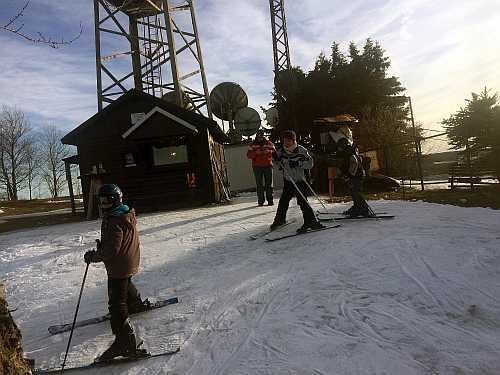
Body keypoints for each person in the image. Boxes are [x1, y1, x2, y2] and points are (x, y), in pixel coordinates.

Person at [84, 184, 150, 361]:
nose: (103, 205)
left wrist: (94, 256)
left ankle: (125, 343)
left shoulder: (114, 220)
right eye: (101, 201)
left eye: (106, 201)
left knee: (116, 304)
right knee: (125, 284)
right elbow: (115, 244)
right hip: (129, 259)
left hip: (119, 264)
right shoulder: (123, 213)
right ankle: (135, 303)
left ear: (115, 200)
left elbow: (112, 250)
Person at [271, 130, 325, 233]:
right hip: (288, 179)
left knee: (302, 201)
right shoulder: (281, 151)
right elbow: (278, 164)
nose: (286, 143)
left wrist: (298, 163)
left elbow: (310, 164)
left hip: (301, 179)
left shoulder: (301, 150)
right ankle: (279, 220)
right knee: (284, 200)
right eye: (284, 140)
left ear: (293, 140)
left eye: (288, 140)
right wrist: (275, 159)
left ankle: (311, 222)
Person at [336, 139, 372, 217]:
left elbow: (354, 163)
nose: (338, 148)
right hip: (355, 175)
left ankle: (364, 209)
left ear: (343, 145)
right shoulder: (347, 152)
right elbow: (345, 164)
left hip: (357, 176)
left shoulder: (349, 152)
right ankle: (357, 207)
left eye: (339, 146)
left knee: (356, 192)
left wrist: (349, 175)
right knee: (353, 192)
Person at [247, 129, 276, 206]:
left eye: (262, 136)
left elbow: (274, 151)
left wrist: (268, 152)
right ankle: (261, 201)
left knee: (269, 184)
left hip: (268, 165)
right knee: (259, 184)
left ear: (263, 136)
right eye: (259, 136)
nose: (260, 137)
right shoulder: (252, 144)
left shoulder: (269, 143)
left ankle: (270, 200)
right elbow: (248, 155)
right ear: (257, 136)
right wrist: (256, 153)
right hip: (257, 166)